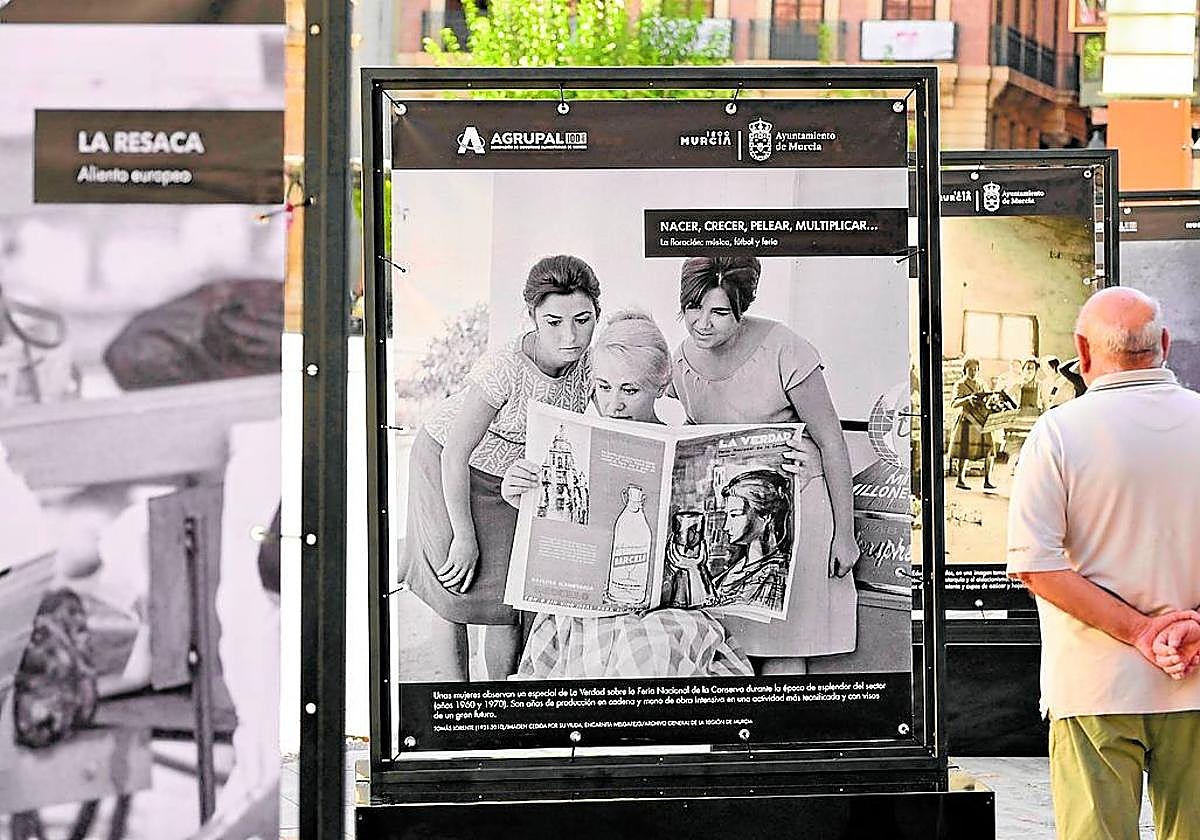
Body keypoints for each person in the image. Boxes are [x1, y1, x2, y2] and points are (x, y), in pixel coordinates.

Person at [1006, 287, 1200, 840]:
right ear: (1163, 344)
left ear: (1083, 354)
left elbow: (1036, 566)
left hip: (1094, 686)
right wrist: (1191, 626)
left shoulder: (1059, 433)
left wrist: (1141, 632)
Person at [501, 311, 753, 679]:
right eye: (604, 387)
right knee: (603, 650)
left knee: (649, 650)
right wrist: (518, 490)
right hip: (590, 606)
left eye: (630, 390)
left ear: (661, 385)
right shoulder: (578, 440)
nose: (613, 404)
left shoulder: (688, 446)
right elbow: (552, 523)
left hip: (671, 609)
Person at [399, 255, 600, 681]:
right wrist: (464, 537)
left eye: (583, 320)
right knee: (453, 590)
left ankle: (501, 704)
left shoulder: (593, 362)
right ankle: (459, 707)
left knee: (507, 603)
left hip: (511, 480)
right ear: (532, 317)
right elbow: (455, 453)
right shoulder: (505, 367)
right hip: (445, 463)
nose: (571, 336)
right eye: (553, 322)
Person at [668, 256, 858, 675]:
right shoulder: (680, 360)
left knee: (784, 643)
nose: (703, 323)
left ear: (742, 309)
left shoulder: (785, 347)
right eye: (693, 308)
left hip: (797, 511)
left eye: (719, 312)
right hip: (729, 517)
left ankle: (781, 738)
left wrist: (845, 536)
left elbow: (831, 438)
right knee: (725, 644)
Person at [710, 470, 792, 613]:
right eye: (727, 515)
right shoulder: (738, 566)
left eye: (735, 515)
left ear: (766, 516)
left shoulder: (776, 574)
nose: (725, 526)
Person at [949, 358, 997, 491]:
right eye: (970, 370)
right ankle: (960, 480)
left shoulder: (981, 383)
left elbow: (987, 397)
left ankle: (987, 480)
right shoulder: (960, 384)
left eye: (975, 370)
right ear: (965, 370)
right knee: (964, 451)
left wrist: (991, 400)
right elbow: (954, 403)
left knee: (989, 449)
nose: (973, 372)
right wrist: (967, 399)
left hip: (981, 419)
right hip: (967, 419)